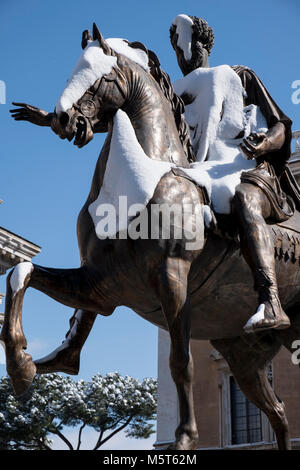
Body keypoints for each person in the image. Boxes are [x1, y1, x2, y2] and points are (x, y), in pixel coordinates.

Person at [170, 14, 298, 333]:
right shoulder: (175, 93)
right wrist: (59, 119)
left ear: (203, 45)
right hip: (203, 172)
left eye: (187, 46)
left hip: (250, 170)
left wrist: (266, 141)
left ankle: (271, 301)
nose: (183, 55)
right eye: (176, 50)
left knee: (244, 198)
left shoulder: (239, 76)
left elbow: (280, 123)